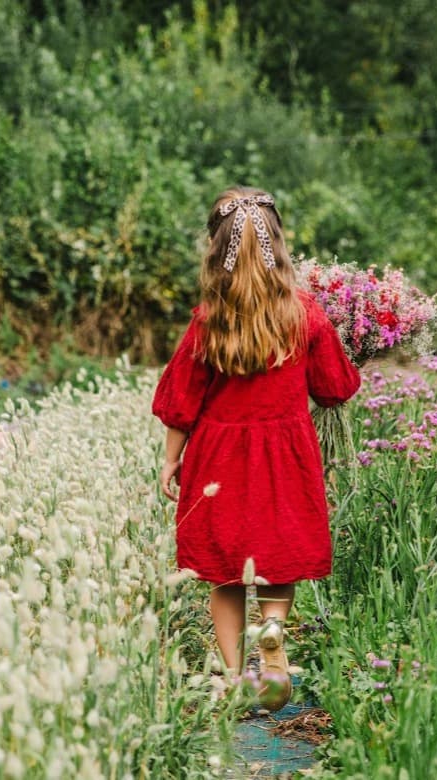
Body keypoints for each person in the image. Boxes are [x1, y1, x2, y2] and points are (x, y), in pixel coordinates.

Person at [152, 186, 360, 710]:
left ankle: (233, 673)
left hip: (219, 457)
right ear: (279, 245)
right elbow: (334, 388)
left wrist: (170, 459)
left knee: (225, 572)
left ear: (215, 248)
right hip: (285, 455)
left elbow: (181, 401)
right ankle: (272, 629)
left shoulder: (209, 321)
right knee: (279, 560)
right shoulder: (305, 314)